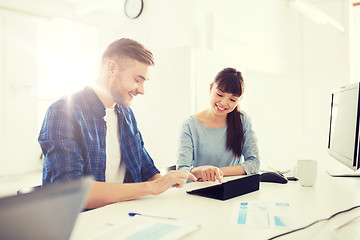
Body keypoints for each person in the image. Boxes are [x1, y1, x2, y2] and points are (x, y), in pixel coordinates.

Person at [38, 38, 196, 209]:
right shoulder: (63, 111)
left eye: (144, 82)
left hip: (122, 215)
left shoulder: (126, 114)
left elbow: (148, 171)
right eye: (137, 80)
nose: (141, 90)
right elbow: (71, 193)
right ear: (111, 68)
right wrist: (152, 187)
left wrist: (187, 177)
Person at [177, 68, 260, 182]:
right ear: (210, 88)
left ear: (239, 100)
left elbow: (254, 163)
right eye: (220, 94)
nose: (224, 103)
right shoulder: (190, 125)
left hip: (231, 189)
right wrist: (203, 171)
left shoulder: (242, 120)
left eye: (232, 99)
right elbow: (182, 172)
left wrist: (217, 172)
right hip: (199, 189)